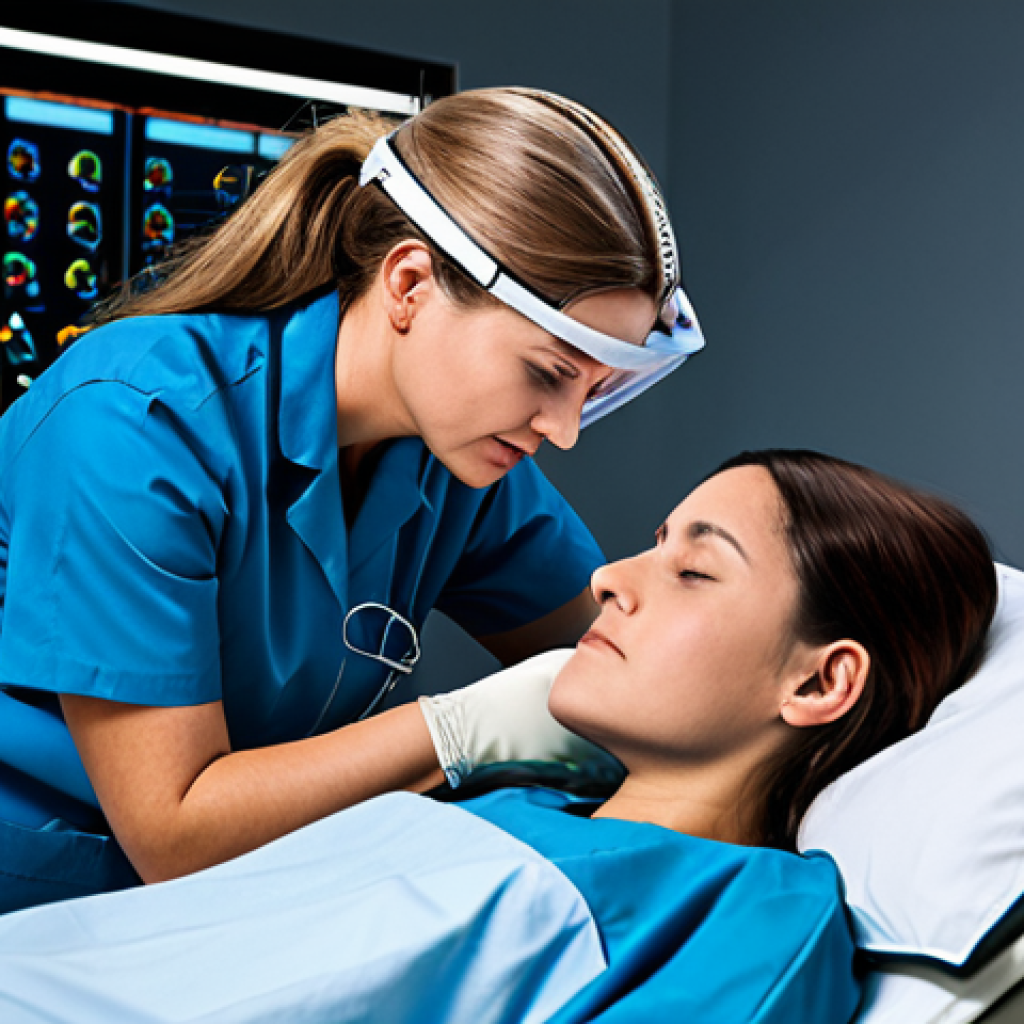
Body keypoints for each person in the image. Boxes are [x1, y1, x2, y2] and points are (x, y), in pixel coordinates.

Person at [0, 87, 704, 912]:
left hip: (240, 912)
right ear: (408, 283)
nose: (565, 429)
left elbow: (635, 678)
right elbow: (176, 831)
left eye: (591, 390)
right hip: (50, 910)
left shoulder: (456, 461)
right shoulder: (132, 423)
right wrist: (458, 732)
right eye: (547, 374)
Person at [0, 449, 998, 1024]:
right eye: (653, 544)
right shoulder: (514, 802)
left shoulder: (748, 916)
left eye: (696, 571)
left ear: (820, 680)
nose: (610, 578)